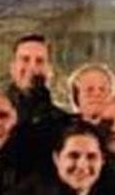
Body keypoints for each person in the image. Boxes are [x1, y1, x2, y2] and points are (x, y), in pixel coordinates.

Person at [5, 34, 72, 173]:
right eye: (25, 59)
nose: (32, 67)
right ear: (12, 67)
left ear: (50, 70)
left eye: (40, 61)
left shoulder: (64, 123)